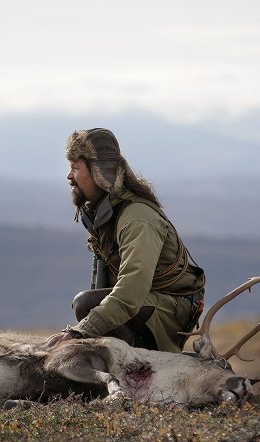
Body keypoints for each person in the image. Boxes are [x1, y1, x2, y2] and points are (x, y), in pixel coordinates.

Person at [46, 128, 205, 352]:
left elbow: (132, 288)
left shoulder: (136, 218)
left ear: (98, 172)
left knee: (86, 304)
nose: (69, 176)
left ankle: (140, 356)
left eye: (75, 168)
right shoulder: (105, 212)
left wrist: (81, 331)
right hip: (151, 302)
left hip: (170, 309)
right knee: (87, 304)